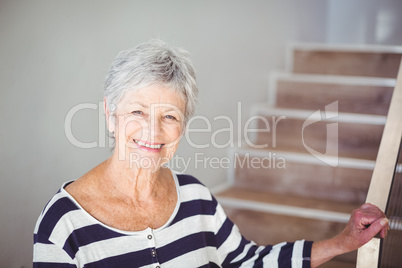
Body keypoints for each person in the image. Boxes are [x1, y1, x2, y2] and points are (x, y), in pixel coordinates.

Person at [33, 39, 389, 268]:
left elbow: (249, 260)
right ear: (111, 115)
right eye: (138, 112)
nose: (153, 132)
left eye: (169, 116)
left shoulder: (195, 196)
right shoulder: (63, 224)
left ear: (183, 126)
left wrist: (342, 242)